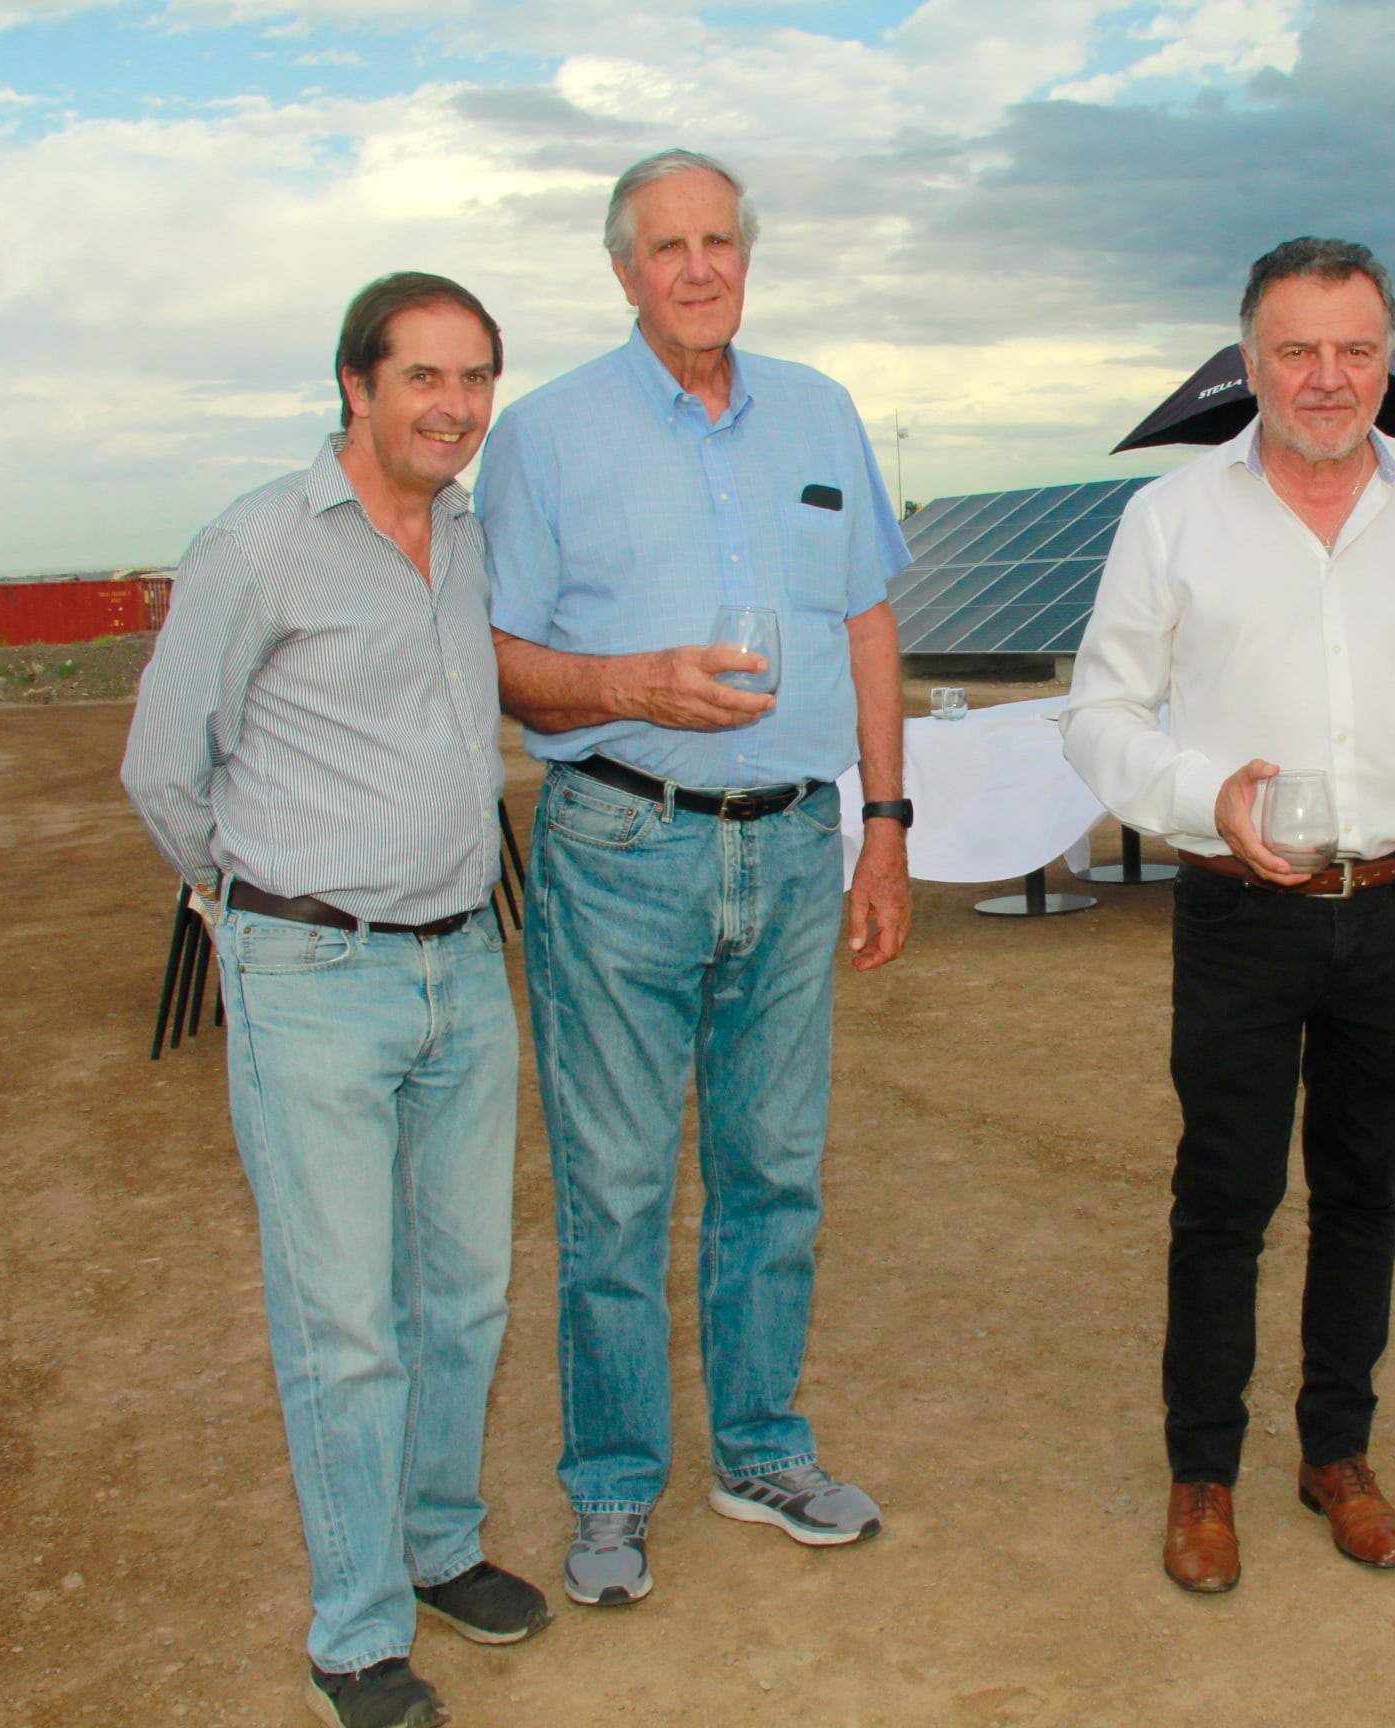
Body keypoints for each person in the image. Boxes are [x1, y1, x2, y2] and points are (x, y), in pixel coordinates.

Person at [1063, 236, 1395, 1594]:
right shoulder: (1174, 518)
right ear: (1250, 358)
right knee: (1222, 1197)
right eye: (1297, 349)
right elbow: (1099, 715)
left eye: (1356, 350)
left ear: (1388, 356)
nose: (1328, 379)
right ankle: (1200, 1473)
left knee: (1364, 1193)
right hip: (1240, 915)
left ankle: (1337, 1453)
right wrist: (1205, 794)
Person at [477, 149, 912, 1609]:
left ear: (748, 254)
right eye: (667, 247)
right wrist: (636, 685)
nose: (699, 268)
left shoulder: (821, 412)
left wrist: (889, 825)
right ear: (622, 270)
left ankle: (761, 1450)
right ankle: (608, 1491)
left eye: (720, 239)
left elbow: (863, 622)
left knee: (774, 1175)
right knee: (613, 1191)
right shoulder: (541, 436)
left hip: (794, 847)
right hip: (620, 846)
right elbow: (505, 664)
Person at [122, 272, 549, 1728]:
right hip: (310, 975)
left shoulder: (474, 540)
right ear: (355, 387)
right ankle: (356, 1635)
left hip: (462, 968)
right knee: (345, 1320)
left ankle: (437, 1550)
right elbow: (166, 767)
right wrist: (249, 906)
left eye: (476, 377)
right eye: (424, 377)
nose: (455, 406)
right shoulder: (256, 545)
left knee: (470, 1292)